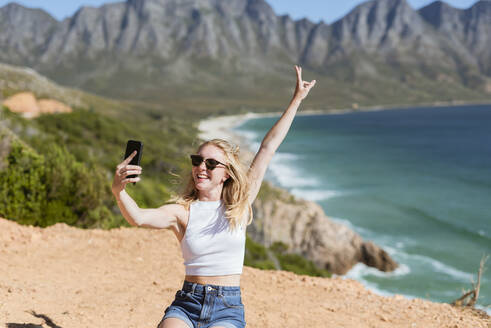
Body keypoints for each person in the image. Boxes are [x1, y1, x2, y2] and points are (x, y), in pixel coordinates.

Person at [111, 65, 316, 328]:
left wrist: (296, 100)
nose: (201, 167)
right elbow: (138, 217)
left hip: (227, 309)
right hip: (187, 303)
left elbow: (268, 147)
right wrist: (119, 191)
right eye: (198, 161)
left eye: (211, 164)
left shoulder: (238, 206)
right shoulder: (182, 211)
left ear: (226, 174)